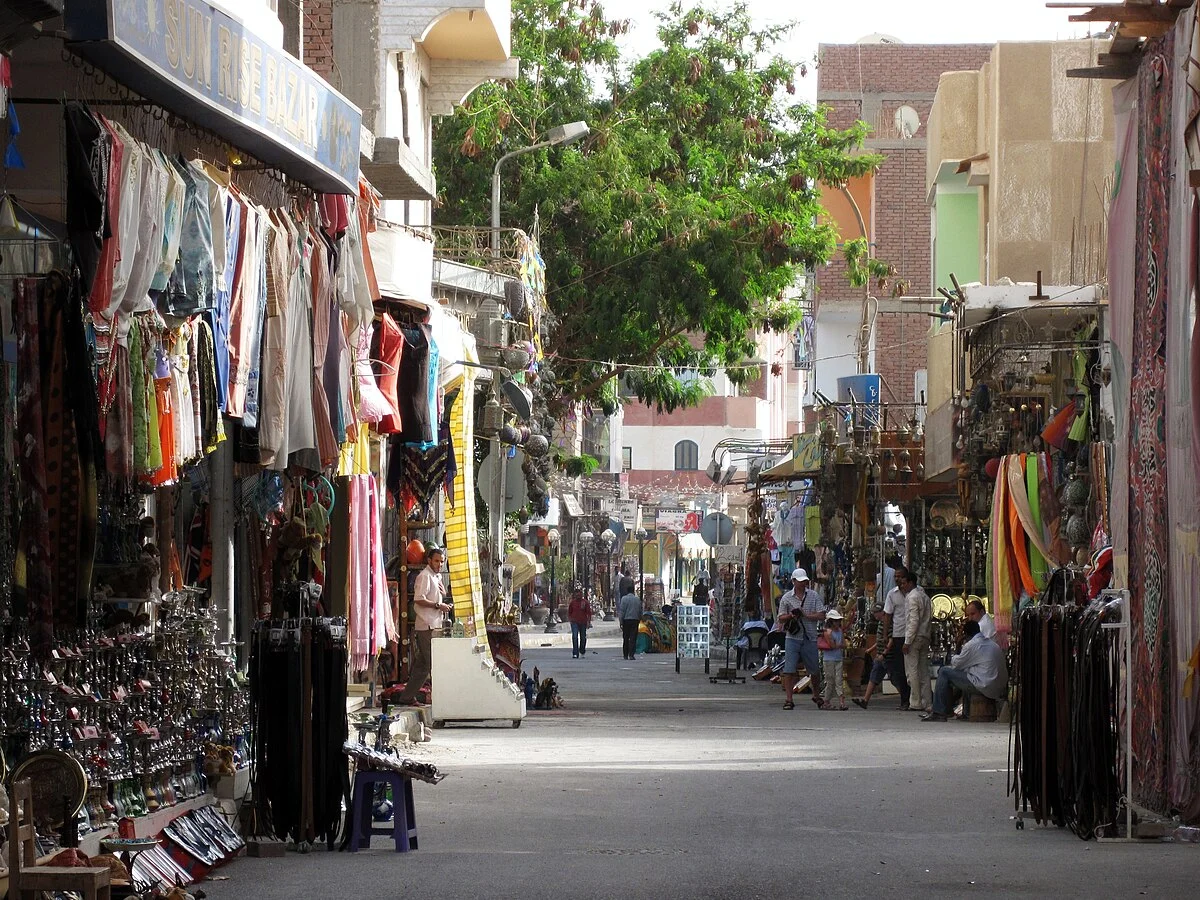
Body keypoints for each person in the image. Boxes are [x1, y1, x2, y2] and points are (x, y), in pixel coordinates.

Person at [923, 620, 1009, 722]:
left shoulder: (972, 645)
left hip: (985, 686)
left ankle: (939, 711)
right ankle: (962, 711)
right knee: (966, 674)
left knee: (944, 672)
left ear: (966, 635)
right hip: (998, 687)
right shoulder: (992, 644)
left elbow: (956, 664)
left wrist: (958, 646)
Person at [397, 546, 451, 705]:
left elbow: (436, 598)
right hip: (426, 626)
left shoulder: (436, 577)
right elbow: (419, 599)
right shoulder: (424, 576)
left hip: (435, 624)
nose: (439, 564)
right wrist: (437, 605)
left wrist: (443, 599)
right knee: (433, 663)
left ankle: (407, 697)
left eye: (442, 562)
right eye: (436, 561)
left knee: (422, 664)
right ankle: (443, 701)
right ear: (429, 560)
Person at [777, 569, 825, 710]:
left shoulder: (813, 596)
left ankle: (816, 694)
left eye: (804, 581)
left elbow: (822, 615)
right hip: (793, 637)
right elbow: (780, 617)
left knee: (814, 669)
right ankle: (789, 699)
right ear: (793, 581)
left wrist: (806, 615)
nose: (803, 583)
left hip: (810, 636)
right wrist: (791, 616)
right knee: (789, 669)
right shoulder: (786, 598)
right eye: (800, 581)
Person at [899, 567, 933, 714]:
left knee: (912, 670)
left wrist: (907, 641)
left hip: (915, 637)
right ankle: (928, 701)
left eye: (904, 583)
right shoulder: (924, 596)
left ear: (911, 582)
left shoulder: (912, 597)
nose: (902, 586)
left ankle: (916, 701)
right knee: (923, 670)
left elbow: (913, 620)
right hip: (925, 636)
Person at [880, 574, 912, 710]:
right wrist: (886, 634)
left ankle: (916, 698)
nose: (898, 579)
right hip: (899, 634)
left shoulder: (917, 593)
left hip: (913, 634)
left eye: (900, 576)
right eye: (896, 577)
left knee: (913, 669)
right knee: (900, 669)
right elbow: (888, 614)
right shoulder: (892, 594)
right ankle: (905, 699)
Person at [853, 598, 889, 710]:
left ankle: (906, 699)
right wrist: (871, 649)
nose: (874, 614)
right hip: (879, 654)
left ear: (882, 612)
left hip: (887, 656)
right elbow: (879, 641)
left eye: (875, 612)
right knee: (873, 677)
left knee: (895, 678)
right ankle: (865, 700)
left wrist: (884, 653)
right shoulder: (880, 624)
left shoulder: (887, 624)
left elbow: (890, 640)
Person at [821, 609, 847, 711]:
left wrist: (838, 645)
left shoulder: (839, 631)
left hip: (837, 658)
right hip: (829, 659)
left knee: (839, 681)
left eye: (838, 621)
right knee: (830, 681)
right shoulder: (828, 632)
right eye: (836, 621)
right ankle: (827, 701)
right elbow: (833, 645)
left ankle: (841, 702)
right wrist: (839, 645)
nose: (838, 623)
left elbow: (842, 645)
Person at [617, 582, 643, 660]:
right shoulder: (637, 600)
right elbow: (640, 610)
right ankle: (631, 654)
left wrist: (621, 621)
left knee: (626, 638)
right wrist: (640, 618)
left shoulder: (624, 599)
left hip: (626, 620)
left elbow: (622, 611)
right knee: (633, 638)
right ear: (633, 591)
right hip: (635, 620)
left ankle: (625, 654)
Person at [567, 584, 592, 659]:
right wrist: (570, 619)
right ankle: (575, 652)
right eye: (576, 594)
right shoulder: (572, 603)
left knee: (583, 637)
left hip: (583, 622)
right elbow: (569, 612)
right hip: (574, 622)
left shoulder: (585, 602)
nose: (578, 595)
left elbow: (588, 613)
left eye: (579, 593)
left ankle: (582, 650)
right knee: (575, 637)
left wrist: (588, 622)